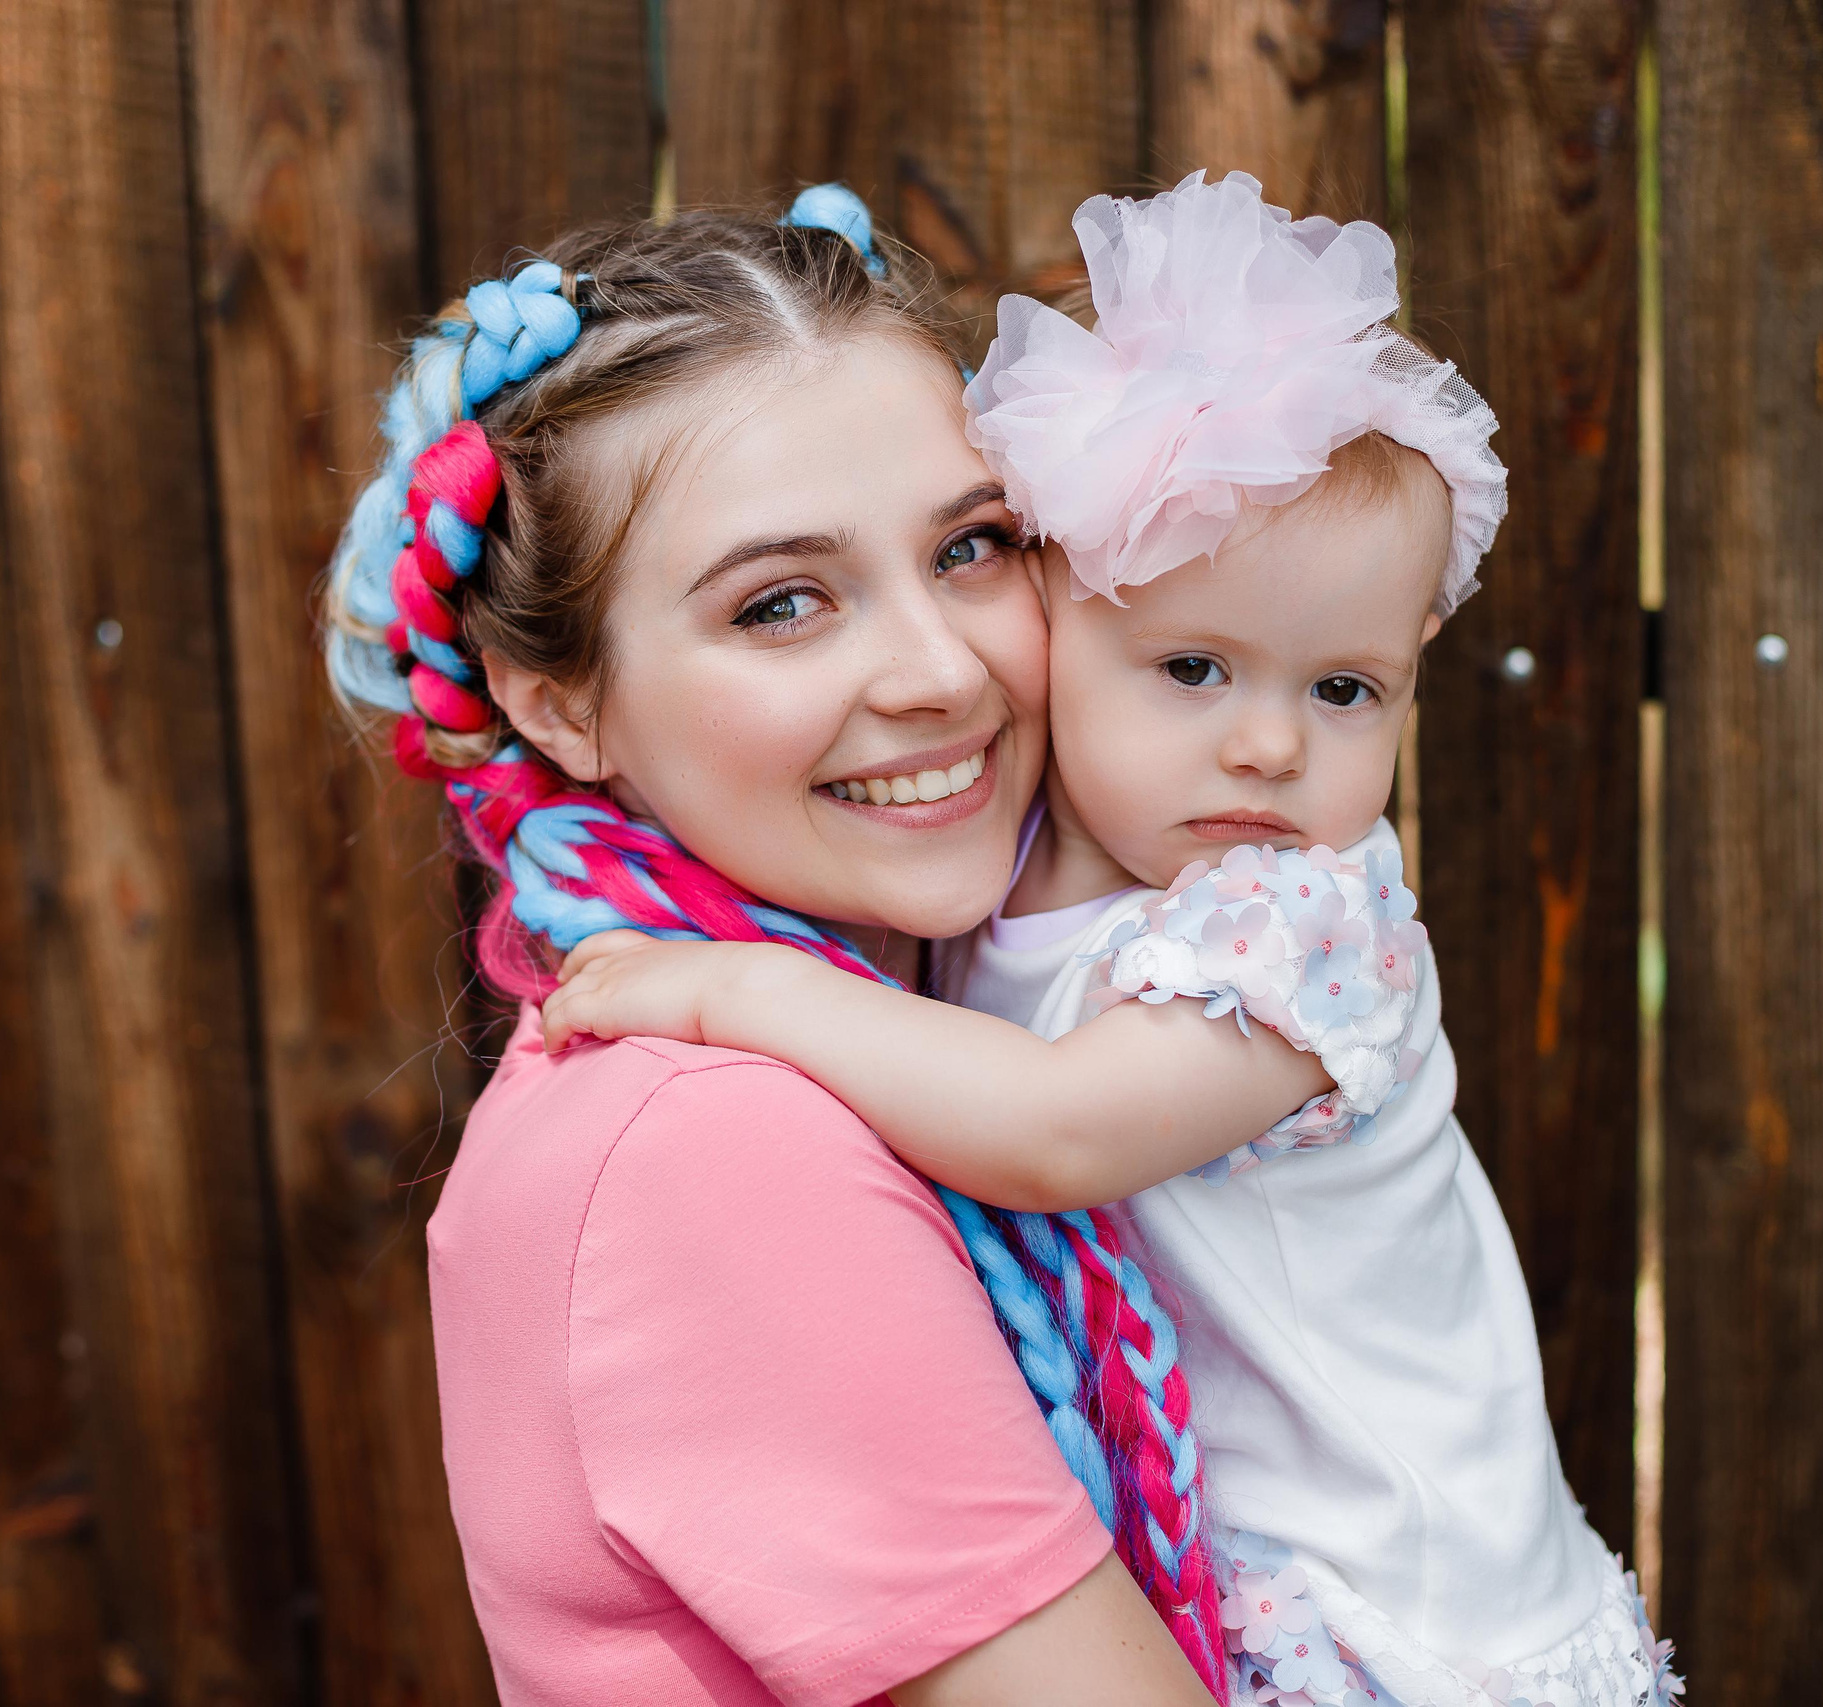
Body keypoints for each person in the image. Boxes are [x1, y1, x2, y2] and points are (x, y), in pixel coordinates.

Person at [543, 173, 1685, 1707]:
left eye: (1345, 691)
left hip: (1411, 1624)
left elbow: (1059, 1133)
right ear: (1064, 605)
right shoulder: (991, 885)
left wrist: (739, 989)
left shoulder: (1297, 924)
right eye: (1195, 666)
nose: (1271, 749)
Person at [324, 190, 1226, 1704]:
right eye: (783, 603)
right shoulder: (710, 1147)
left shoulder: (896, 1030)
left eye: (972, 549)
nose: (940, 671)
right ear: (559, 702)